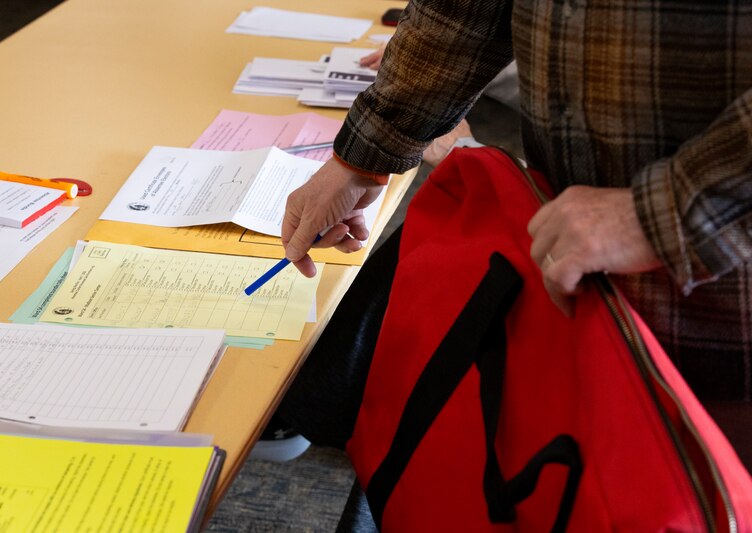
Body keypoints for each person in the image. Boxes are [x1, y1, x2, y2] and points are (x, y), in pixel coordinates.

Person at [282, 0, 752, 409]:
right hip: (565, 260)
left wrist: (671, 210)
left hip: (717, 298)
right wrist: (362, 157)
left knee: (697, 491)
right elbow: (462, 13)